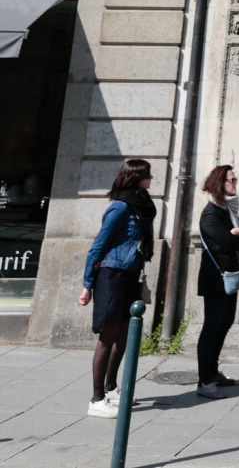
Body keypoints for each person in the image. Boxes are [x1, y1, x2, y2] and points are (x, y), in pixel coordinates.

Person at [79, 159, 156, 418]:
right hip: (112, 275)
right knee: (107, 337)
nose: (152, 178)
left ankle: (111, 388)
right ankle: (96, 398)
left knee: (122, 336)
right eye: (147, 175)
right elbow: (97, 247)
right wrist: (87, 285)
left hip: (130, 275)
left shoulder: (140, 206)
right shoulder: (120, 208)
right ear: (135, 177)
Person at [196, 164, 239, 399]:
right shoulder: (211, 213)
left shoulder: (227, 209)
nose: (235, 183)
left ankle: (213, 371)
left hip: (229, 275)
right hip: (216, 278)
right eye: (231, 180)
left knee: (225, 322)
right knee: (212, 326)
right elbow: (228, 241)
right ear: (221, 183)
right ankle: (205, 380)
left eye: (235, 179)